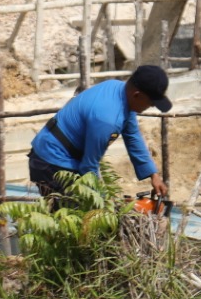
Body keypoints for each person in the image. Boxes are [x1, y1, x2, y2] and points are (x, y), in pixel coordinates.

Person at [28, 65, 173, 202]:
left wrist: (153, 174)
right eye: (151, 102)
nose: (152, 106)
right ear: (137, 95)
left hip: (60, 153)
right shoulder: (107, 120)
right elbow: (89, 166)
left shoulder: (118, 89)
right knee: (75, 218)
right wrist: (104, 201)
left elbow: (133, 135)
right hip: (50, 162)